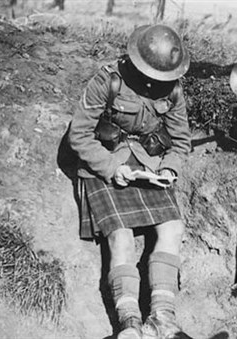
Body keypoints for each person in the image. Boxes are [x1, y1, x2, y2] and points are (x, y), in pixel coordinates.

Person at [68, 24, 191, 339]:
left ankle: (162, 317)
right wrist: (111, 167)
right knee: (120, 236)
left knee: (173, 228)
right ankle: (130, 324)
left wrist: (169, 170)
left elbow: (180, 142)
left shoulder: (174, 89)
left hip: (148, 164)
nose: (157, 83)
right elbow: (79, 135)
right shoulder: (108, 80)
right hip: (105, 163)